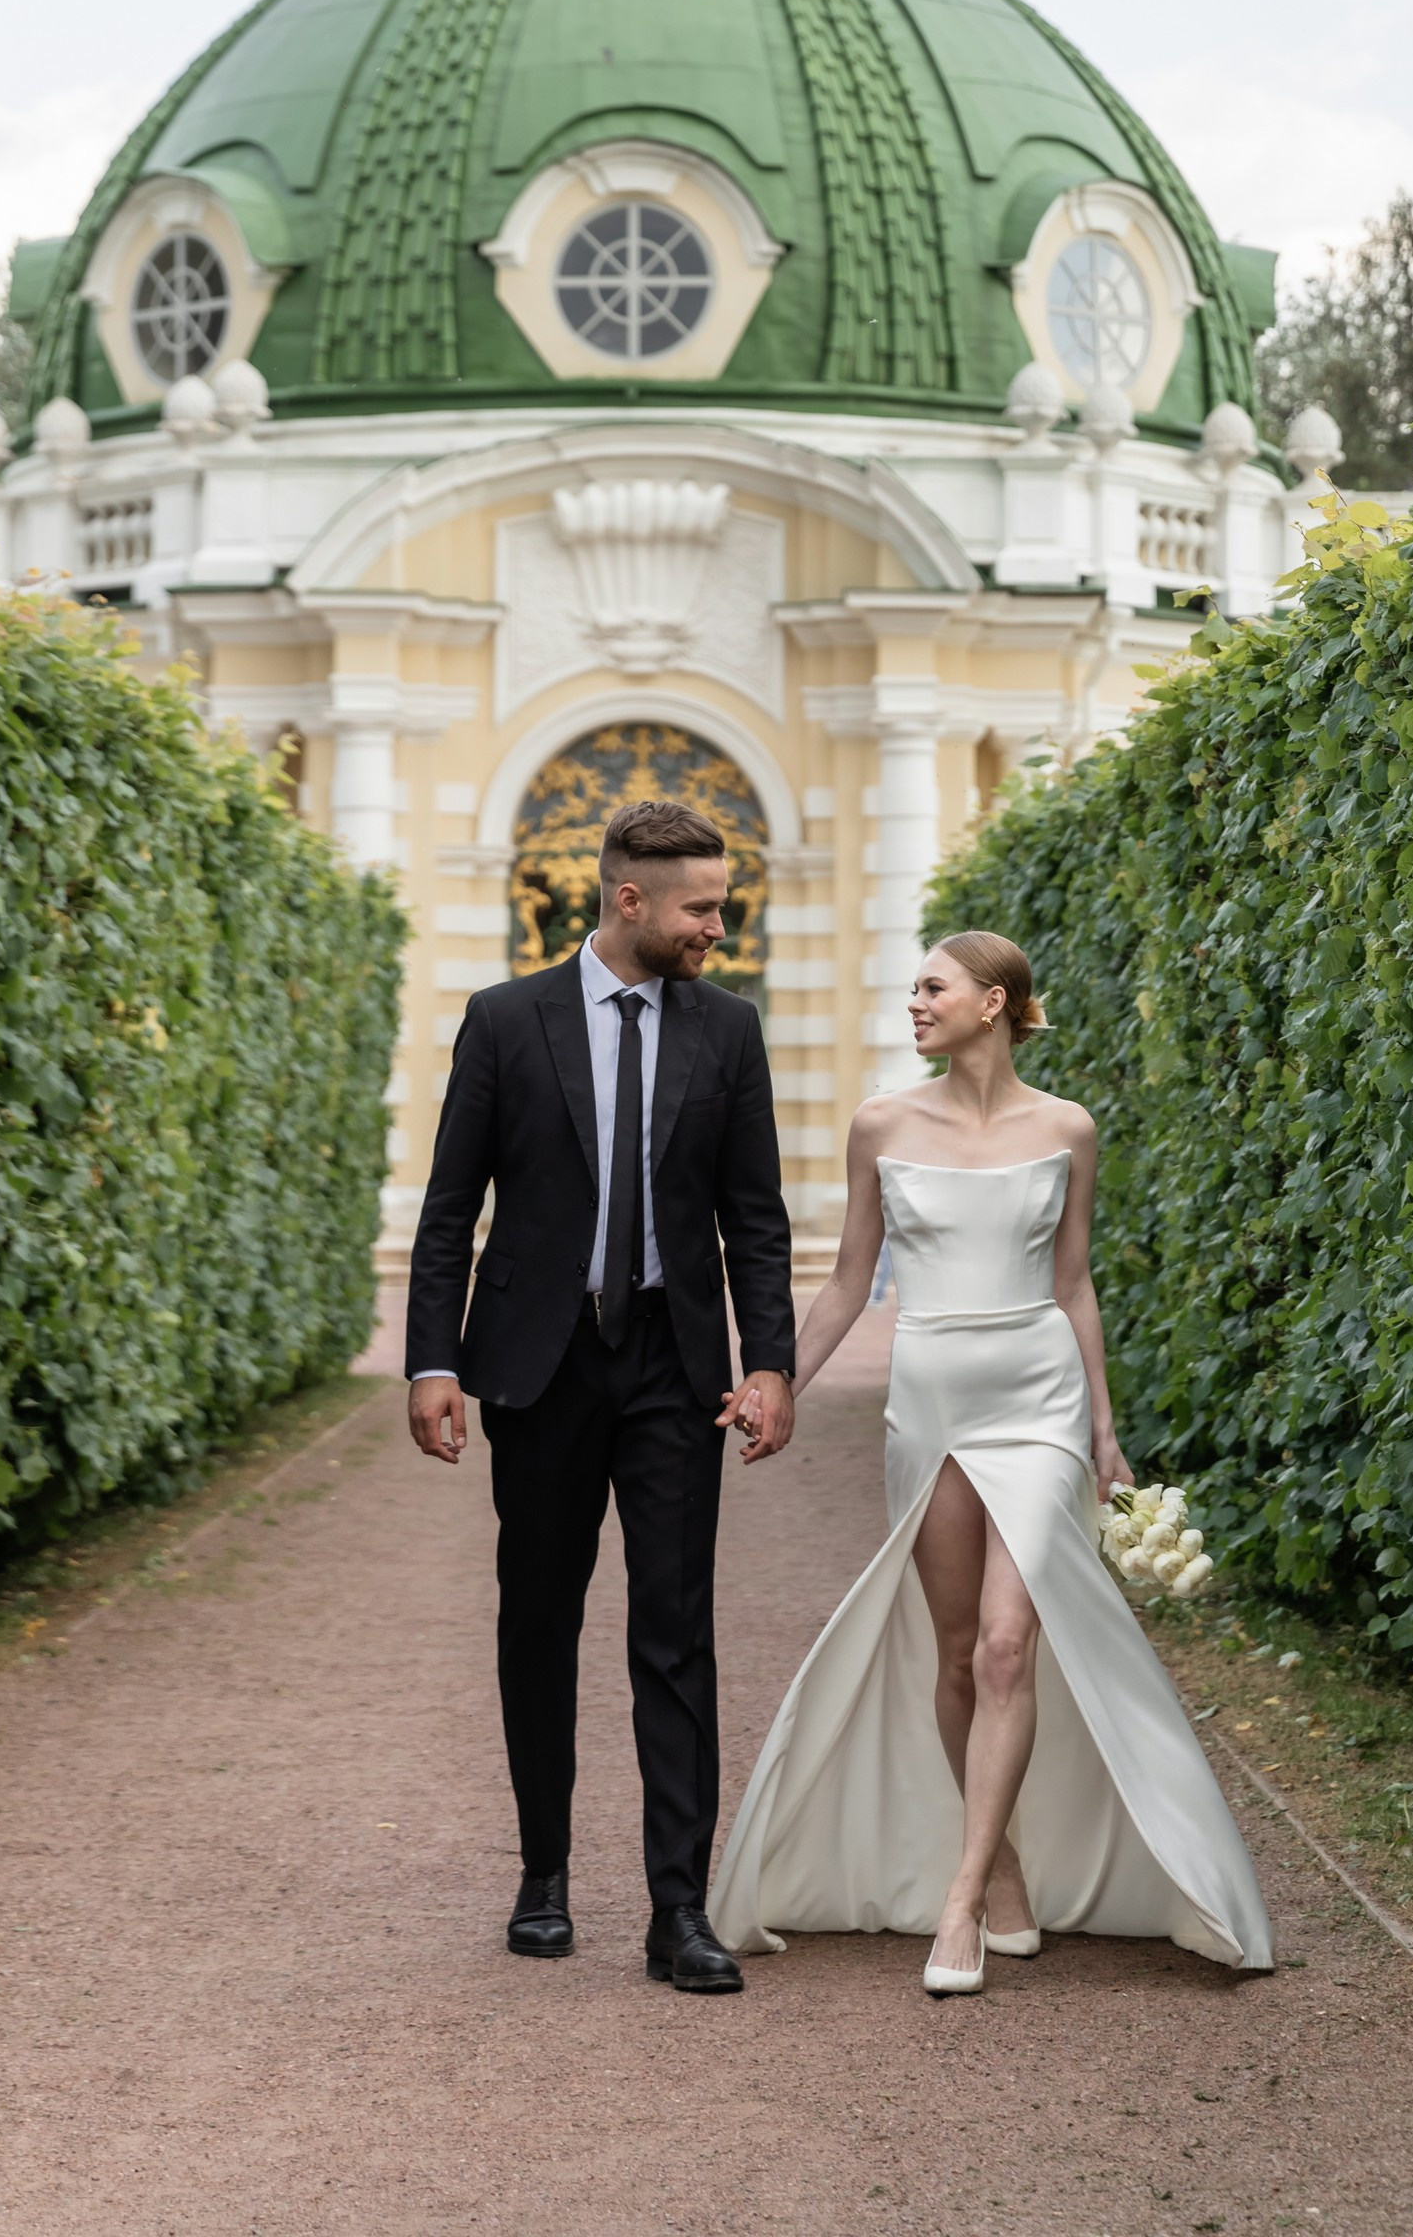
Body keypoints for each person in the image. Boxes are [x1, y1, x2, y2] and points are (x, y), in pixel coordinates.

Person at [709, 930, 1271, 1994]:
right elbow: (846, 1283)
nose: (912, 1003)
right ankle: (1000, 1859)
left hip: (1037, 1399)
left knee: (1011, 1647)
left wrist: (1100, 1432)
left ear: (994, 1000)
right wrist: (772, 1376)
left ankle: (959, 1903)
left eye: (931, 986)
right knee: (959, 1651)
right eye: (912, 988)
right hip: (929, 1402)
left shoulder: (1066, 1127)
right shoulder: (881, 1123)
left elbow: (1073, 1286)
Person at [406, 798, 796, 1995]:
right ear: (628, 899)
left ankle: (678, 1910)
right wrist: (433, 1361)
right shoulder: (505, 1019)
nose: (715, 927)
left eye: (719, 905)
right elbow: (446, 1209)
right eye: (699, 907)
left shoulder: (727, 1030)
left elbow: (754, 1218)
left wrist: (768, 1363)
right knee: (539, 1621)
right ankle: (543, 1876)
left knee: (675, 1637)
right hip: (538, 1362)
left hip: (674, 1372)